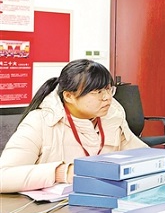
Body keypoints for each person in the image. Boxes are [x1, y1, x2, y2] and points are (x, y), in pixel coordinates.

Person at [0, 59, 146, 193]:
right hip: (50, 208)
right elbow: (3, 176)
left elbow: (144, 157)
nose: (107, 97)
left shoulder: (112, 117)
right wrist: (62, 172)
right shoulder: (41, 121)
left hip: (103, 200)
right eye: (98, 92)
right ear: (69, 96)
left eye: (109, 89)